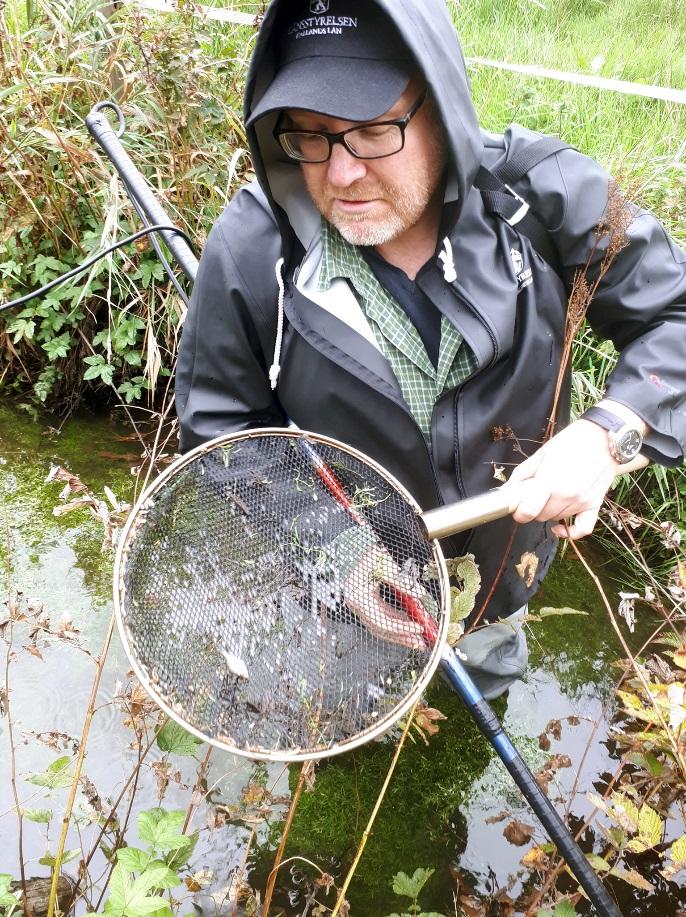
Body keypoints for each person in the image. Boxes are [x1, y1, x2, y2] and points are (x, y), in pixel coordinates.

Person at [175, 0, 686, 698]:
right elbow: (222, 428)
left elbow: (675, 314)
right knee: (346, 715)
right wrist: (337, 546)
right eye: (311, 136)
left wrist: (611, 435)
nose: (342, 173)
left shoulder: (542, 200)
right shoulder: (253, 251)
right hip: (340, 588)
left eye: (373, 131)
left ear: (440, 108)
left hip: (505, 570)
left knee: (487, 676)